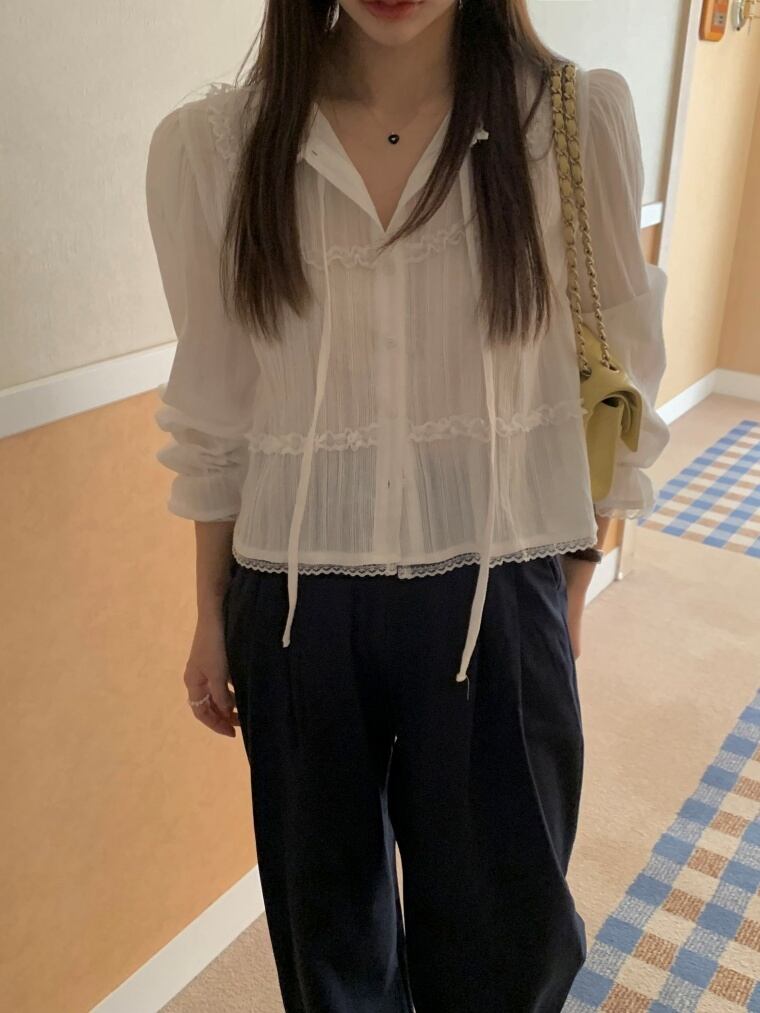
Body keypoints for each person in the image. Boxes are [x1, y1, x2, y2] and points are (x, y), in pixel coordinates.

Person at [145, 1, 669, 1010]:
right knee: (327, 940)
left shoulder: (571, 122)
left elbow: (619, 373)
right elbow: (217, 408)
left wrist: (569, 580)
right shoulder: (215, 147)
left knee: (505, 935)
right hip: (292, 602)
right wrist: (208, 612)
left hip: (498, 582)